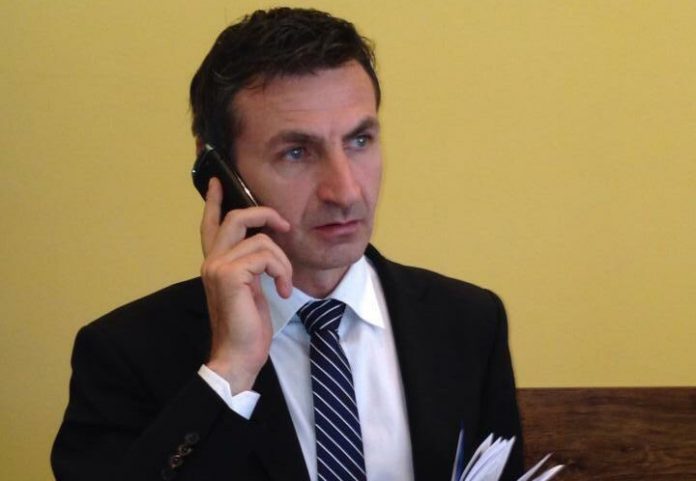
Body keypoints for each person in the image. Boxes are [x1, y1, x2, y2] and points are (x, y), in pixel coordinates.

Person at [52, 7, 523, 481]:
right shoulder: (124, 354)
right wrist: (229, 372)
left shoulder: (469, 323)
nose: (345, 191)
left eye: (360, 141)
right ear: (219, 171)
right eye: (296, 152)